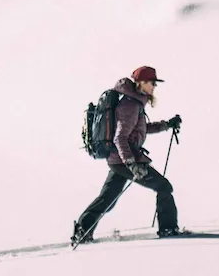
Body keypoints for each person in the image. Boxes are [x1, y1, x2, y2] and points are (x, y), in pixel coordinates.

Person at [72, 65, 181, 245]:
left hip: (118, 161)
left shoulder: (134, 102)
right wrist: (132, 164)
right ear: (141, 83)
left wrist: (166, 125)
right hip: (125, 160)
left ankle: (82, 231)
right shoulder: (130, 105)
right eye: (152, 83)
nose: (154, 86)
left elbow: (141, 128)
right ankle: (168, 229)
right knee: (163, 187)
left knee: (107, 198)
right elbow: (120, 138)